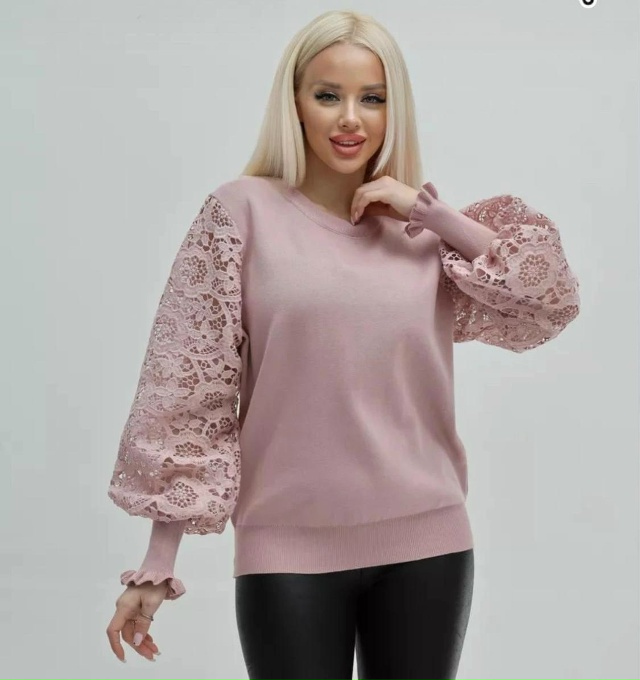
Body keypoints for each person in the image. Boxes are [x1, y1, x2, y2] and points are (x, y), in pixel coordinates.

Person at [105, 9, 581, 679]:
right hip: (284, 551)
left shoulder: (425, 236)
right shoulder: (240, 214)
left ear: (394, 109)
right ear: (295, 102)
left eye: (373, 98)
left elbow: (550, 298)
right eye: (328, 95)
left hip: (429, 544)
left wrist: (434, 215)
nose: (350, 118)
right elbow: (189, 387)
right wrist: (160, 559)